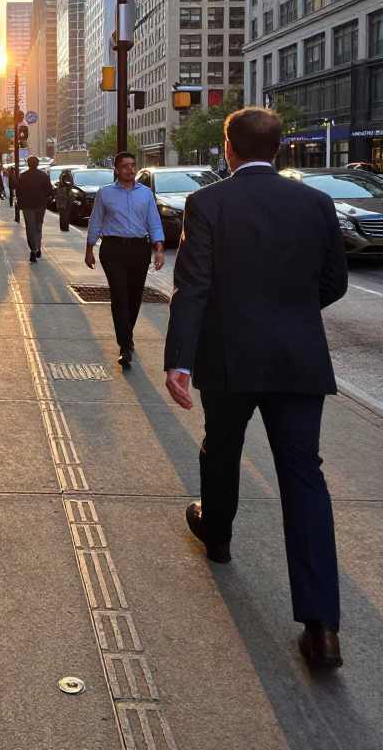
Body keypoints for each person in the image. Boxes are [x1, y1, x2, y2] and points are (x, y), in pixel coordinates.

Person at [163, 107, 348, 668]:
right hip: (298, 359)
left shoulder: (209, 203)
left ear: (229, 148)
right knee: (304, 478)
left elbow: (192, 287)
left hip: (228, 355)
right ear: (281, 147)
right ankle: (321, 629)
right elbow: (334, 281)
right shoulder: (316, 202)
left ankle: (217, 535)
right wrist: (289, 315)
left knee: (222, 448)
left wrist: (179, 360)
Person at [85, 151, 165, 368]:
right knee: (119, 294)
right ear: (117, 169)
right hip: (112, 249)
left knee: (134, 295)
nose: (131, 169)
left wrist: (159, 249)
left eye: (133, 165)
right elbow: (96, 221)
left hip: (139, 249)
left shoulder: (146, 194)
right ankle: (125, 344)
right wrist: (89, 248)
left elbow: (154, 222)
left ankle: (126, 334)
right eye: (126, 166)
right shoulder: (106, 193)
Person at [17, 155, 54, 263]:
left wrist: (20, 202)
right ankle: (37, 247)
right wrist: (46, 198)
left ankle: (33, 249)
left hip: (27, 205)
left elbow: (19, 192)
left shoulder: (23, 176)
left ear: (28, 164)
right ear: (37, 164)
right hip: (40, 205)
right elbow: (49, 191)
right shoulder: (43, 175)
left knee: (30, 228)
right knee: (38, 227)